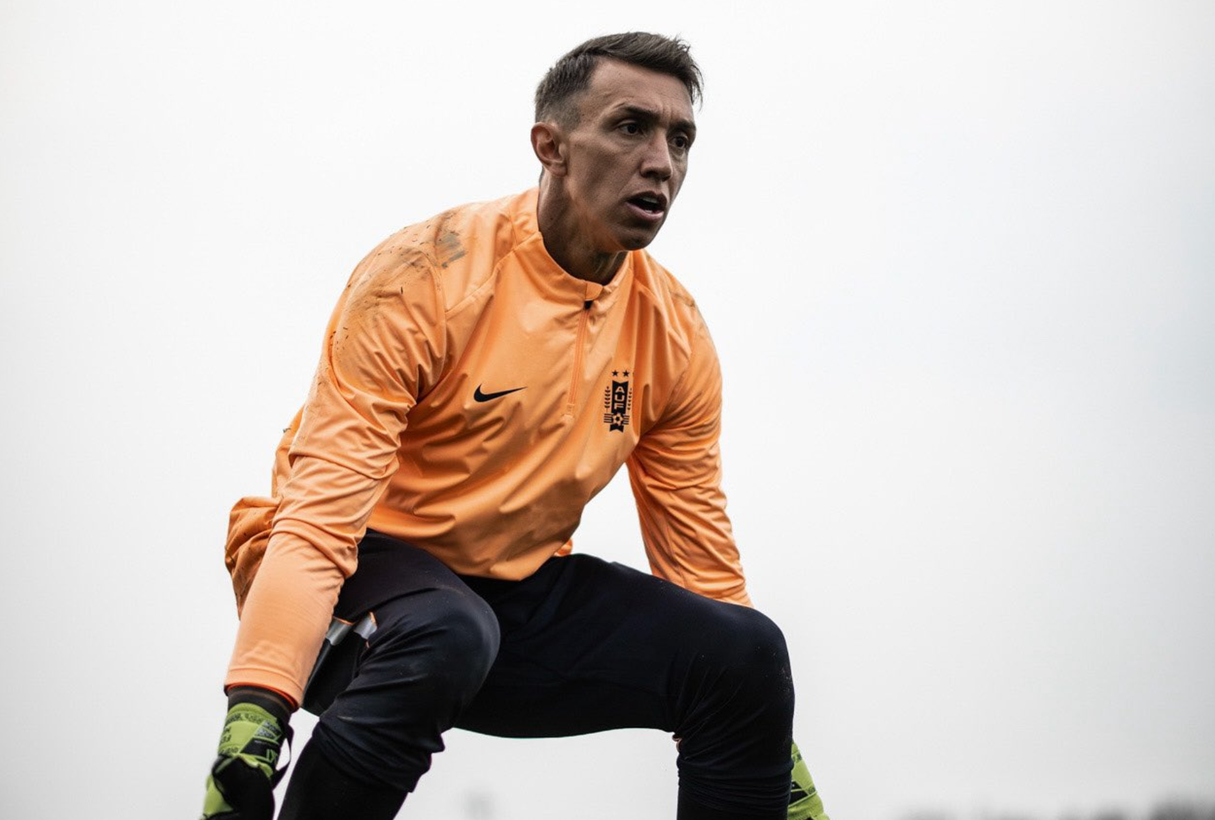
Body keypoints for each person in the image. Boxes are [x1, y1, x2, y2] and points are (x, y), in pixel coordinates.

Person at [200, 32, 830, 820]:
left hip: (506, 605)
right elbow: (320, 516)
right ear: (551, 146)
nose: (661, 161)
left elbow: (699, 562)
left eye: (681, 139)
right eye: (631, 127)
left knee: (746, 650)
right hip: (345, 585)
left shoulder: (675, 332)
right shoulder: (423, 275)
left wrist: (772, 750)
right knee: (446, 628)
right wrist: (259, 705)